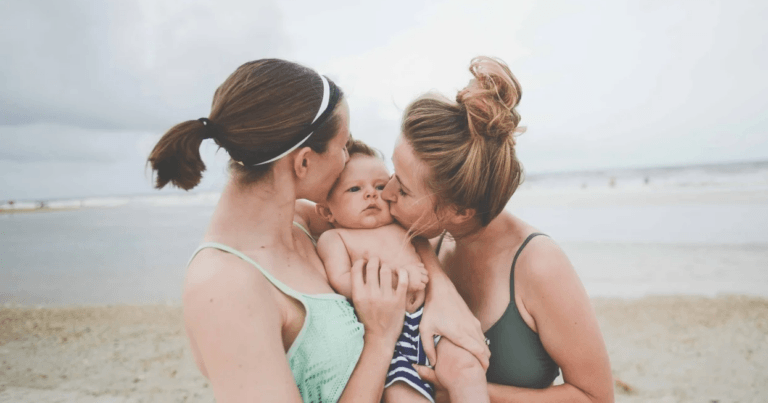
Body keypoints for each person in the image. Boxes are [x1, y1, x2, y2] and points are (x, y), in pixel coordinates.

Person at [147, 59, 413, 403]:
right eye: (343, 146)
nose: (347, 160)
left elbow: (398, 228)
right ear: (303, 162)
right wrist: (380, 338)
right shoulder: (225, 285)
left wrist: (445, 300)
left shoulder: (301, 222)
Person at [381, 56, 615, 402]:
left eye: (402, 189)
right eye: (391, 173)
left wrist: (465, 388)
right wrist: (440, 283)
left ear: (459, 211)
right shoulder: (425, 237)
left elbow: (595, 396)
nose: (385, 192)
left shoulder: (538, 264)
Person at [310, 139, 488, 403]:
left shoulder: (402, 224)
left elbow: (425, 246)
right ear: (327, 211)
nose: (371, 194)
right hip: (389, 337)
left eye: (380, 186)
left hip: (431, 321)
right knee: (401, 394)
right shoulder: (336, 239)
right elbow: (341, 280)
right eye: (355, 189)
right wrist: (397, 279)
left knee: (467, 370)